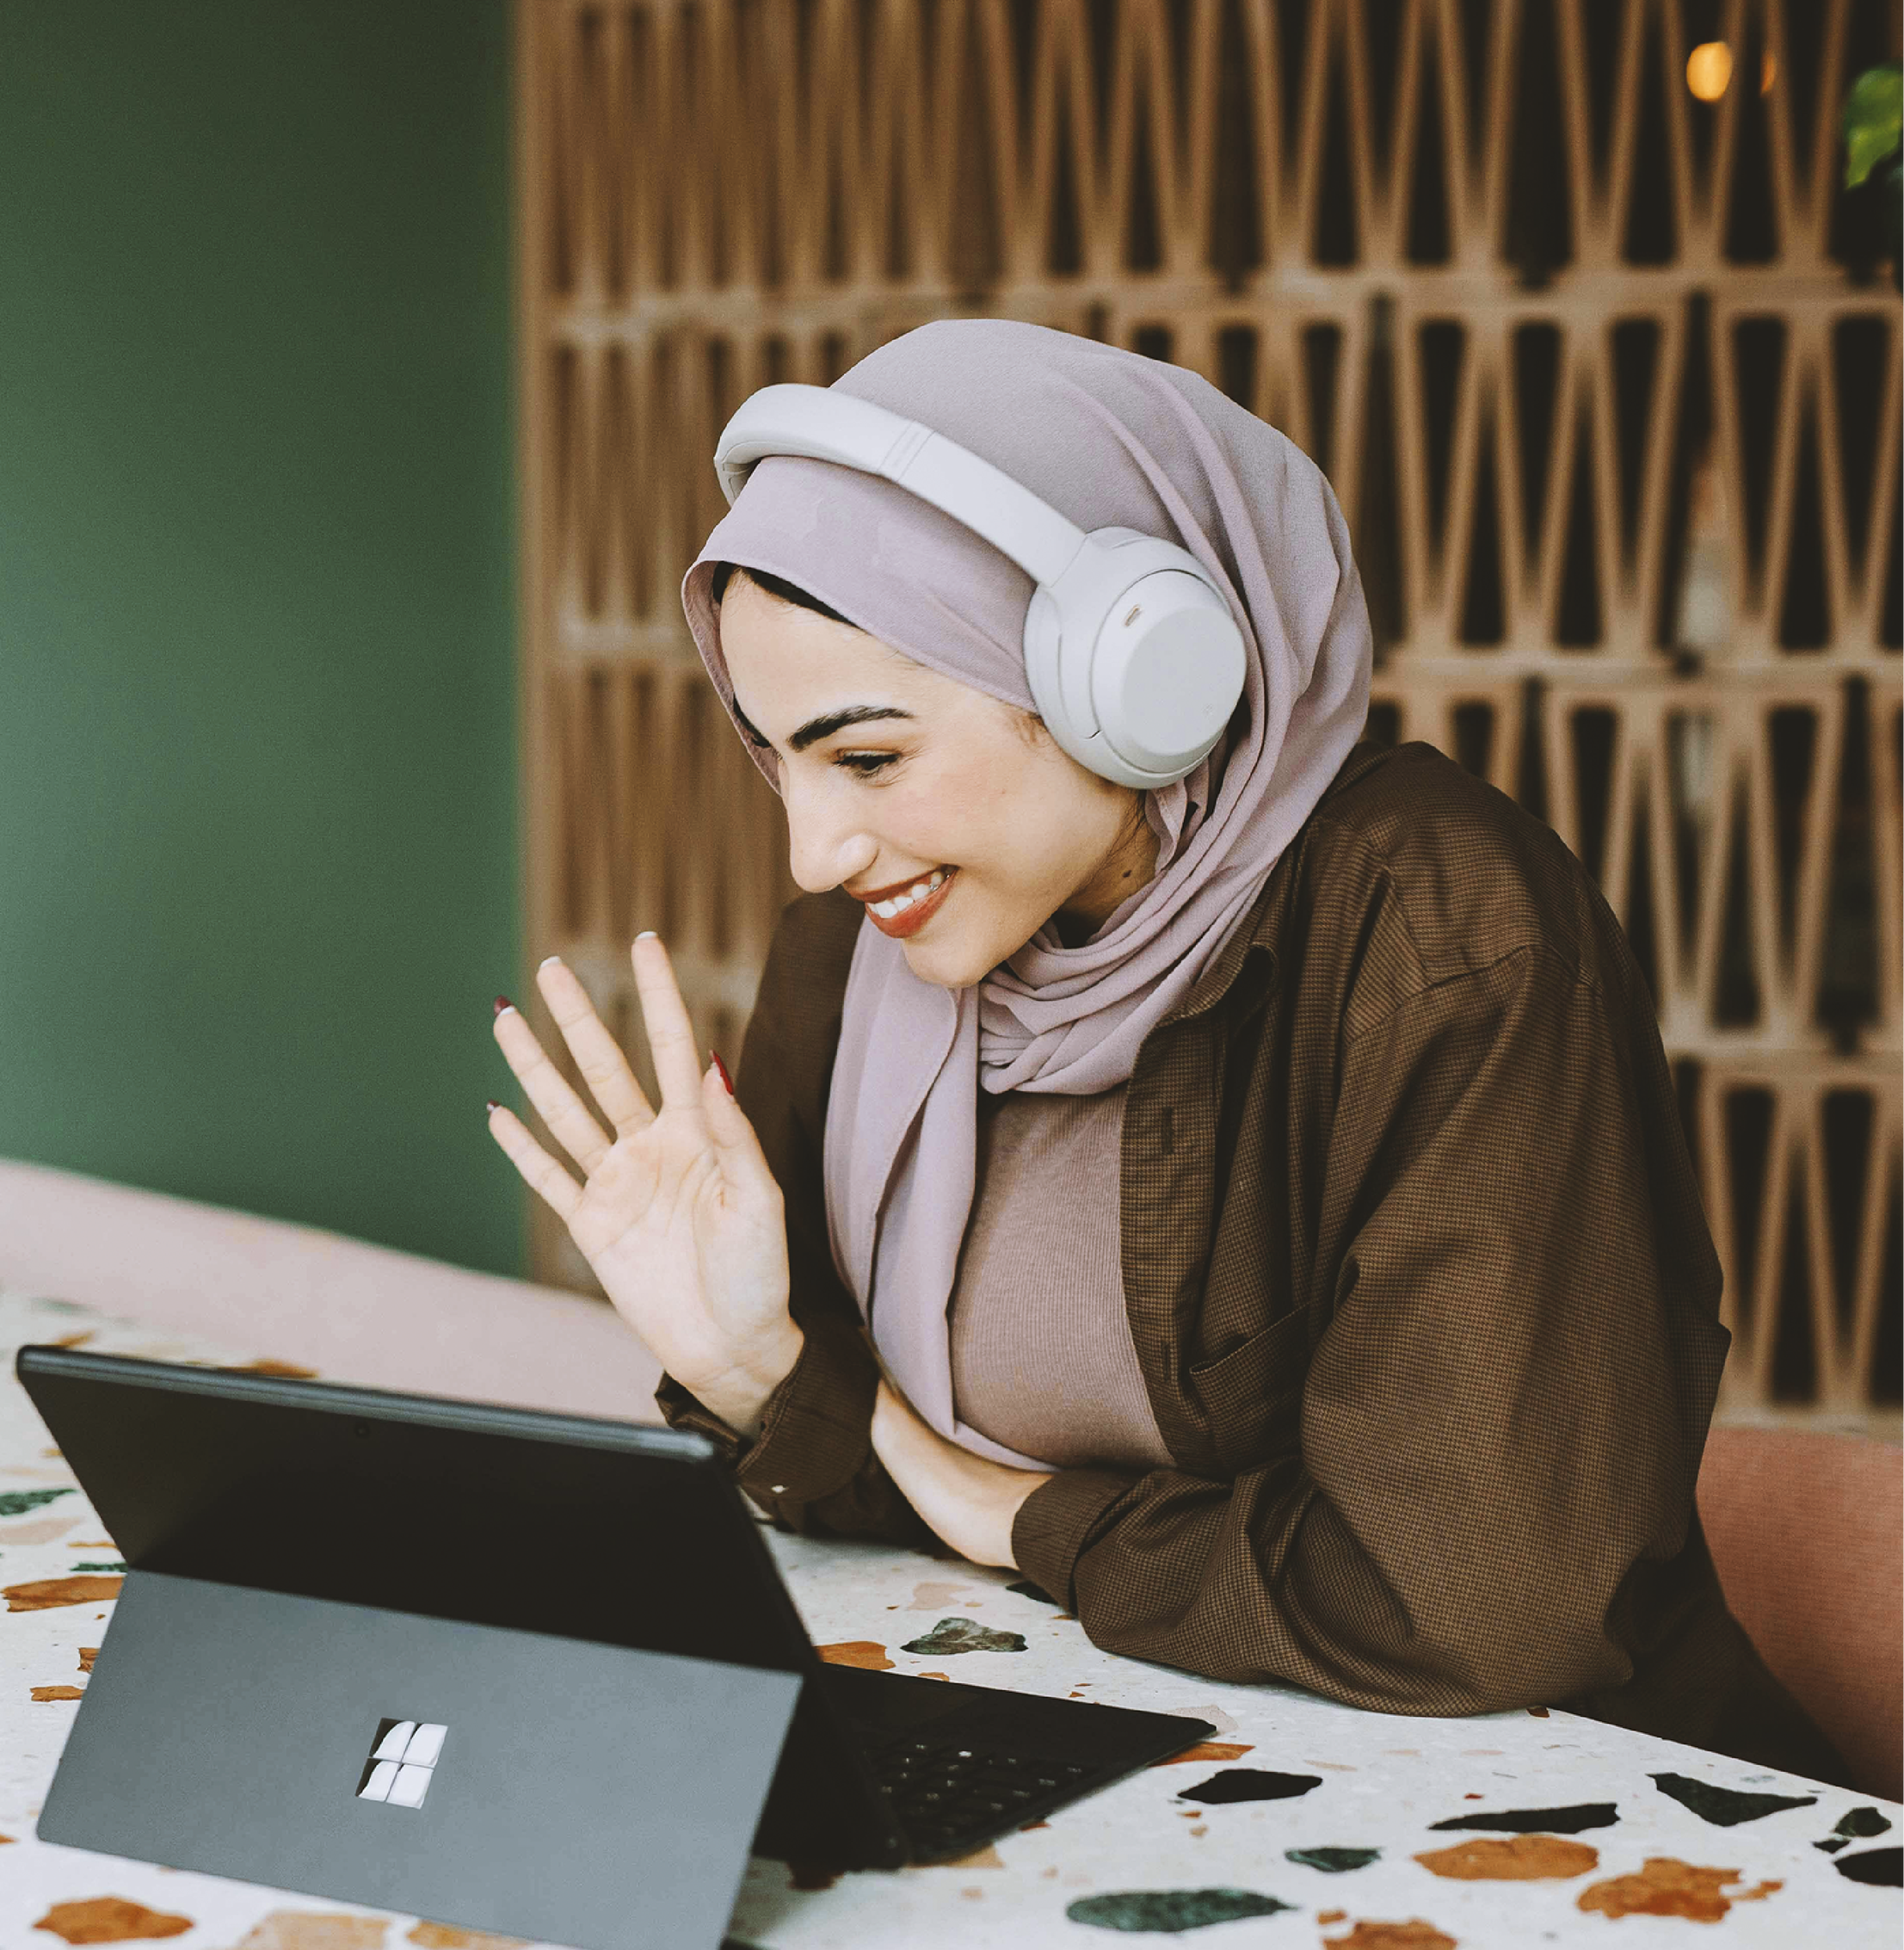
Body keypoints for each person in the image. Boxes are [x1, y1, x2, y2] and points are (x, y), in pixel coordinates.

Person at [487, 319, 1841, 1782]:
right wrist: (759, 1373)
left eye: (867, 756)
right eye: (779, 759)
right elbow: (872, 1500)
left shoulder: (1439, 923)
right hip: (1121, 1759)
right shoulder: (879, 935)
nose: (816, 852)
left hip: (1580, 1814)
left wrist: (1008, 1508)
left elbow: (1470, 1603)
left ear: (1126, 681)